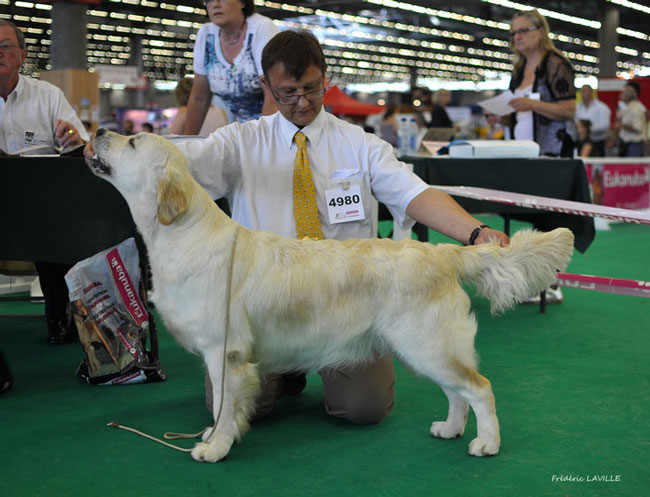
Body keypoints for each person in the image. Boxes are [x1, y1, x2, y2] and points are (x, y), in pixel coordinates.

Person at [98, 29, 507, 425]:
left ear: (325, 78)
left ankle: (311, 373)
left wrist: (474, 233)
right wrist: (109, 151)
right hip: (265, 305)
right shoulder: (239, 142)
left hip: (347, 301)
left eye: (312, 89)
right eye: (287, 92)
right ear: (267, 85)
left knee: (363, 410)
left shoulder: (360, 145)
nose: (301, 102)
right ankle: (286, 373)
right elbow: (170, 163)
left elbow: (414, 194)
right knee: (239, 407)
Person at [0, 19, 89, 344]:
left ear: (23, 55)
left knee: (54, 225)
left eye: (5, 46)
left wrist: (72, 140)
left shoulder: (48, 96)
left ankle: (59, 318)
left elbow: (80, 145)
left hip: (39, 205)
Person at [183, 0, 279, 132]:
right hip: (244, 132)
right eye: (209, 0)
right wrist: (189, 143)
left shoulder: (262, 28)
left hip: (276, 128)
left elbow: (273, 94)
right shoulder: (206, 34)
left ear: (243, 2)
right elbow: (199, 98)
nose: (215, 4)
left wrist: (263, 142)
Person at [507, 9, 576, 157]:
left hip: (553, 153)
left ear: (541, 31)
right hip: (521, 153)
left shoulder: (555, 64)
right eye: (513, 33)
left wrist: (532, 105)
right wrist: (500, 117)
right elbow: (517, 117)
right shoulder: (518, 70)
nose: (517, 37)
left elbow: (569, 110)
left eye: (523, 31)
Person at [575, 84, 610, 156]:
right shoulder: (578, 107)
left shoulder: (601, 107)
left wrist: (588, 129)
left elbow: (606, 126)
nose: (583, 93)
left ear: (591, 92)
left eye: (585, 91)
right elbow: (575, 122)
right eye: (581, 91)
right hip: (582, 141)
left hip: (597, 141)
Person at [615, 81, 647, 157]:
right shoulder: (628, 107)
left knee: (633, 167)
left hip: (635, 145)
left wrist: (622, 126)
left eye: (622, 94)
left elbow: (638, 128)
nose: (620, 95)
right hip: (627, 144)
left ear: (628, 96)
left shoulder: (636, 109)